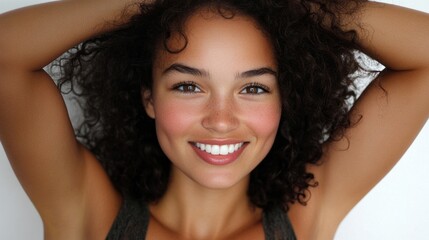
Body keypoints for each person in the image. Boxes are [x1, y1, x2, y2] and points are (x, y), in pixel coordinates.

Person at [0, 0, 428, 239]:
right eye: (189, 86)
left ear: (286, 100)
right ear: (148, 97)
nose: (221, 121)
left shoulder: (306, 218)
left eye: (253, 88)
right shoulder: (87, 215)